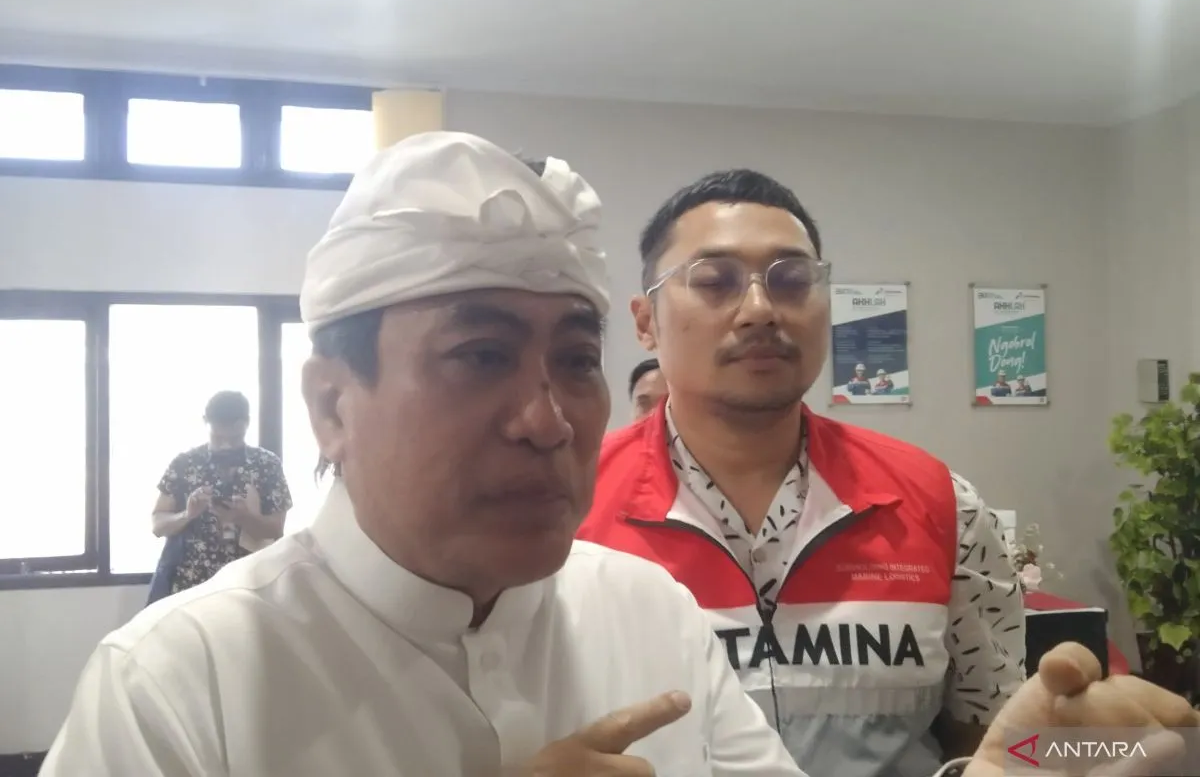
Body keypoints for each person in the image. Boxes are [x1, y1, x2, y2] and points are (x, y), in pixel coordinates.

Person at [40, 135, 1198, 777]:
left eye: (570, 359)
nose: (547, 417)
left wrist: (995, 776)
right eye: (478, 354)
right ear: (331, 403)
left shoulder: (644, 612)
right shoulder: (176, 684)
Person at [579, 169, 1026, 777]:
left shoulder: (942, 505)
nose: (760, 310)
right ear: (645, 322)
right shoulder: (568, 512)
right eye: (714, 281)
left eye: (792, 281)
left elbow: (992, 735)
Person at [145, 390, 292, 604]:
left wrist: (244, 517)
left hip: (248, 586)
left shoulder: (267, 465)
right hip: (189, 586)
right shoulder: (185, 464)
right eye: (218, 438)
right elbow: (158, 525)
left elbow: (276, 530)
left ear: (247, 424)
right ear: (206, 422)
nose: (226, 446)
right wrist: (188, 514)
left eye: (234, 439)